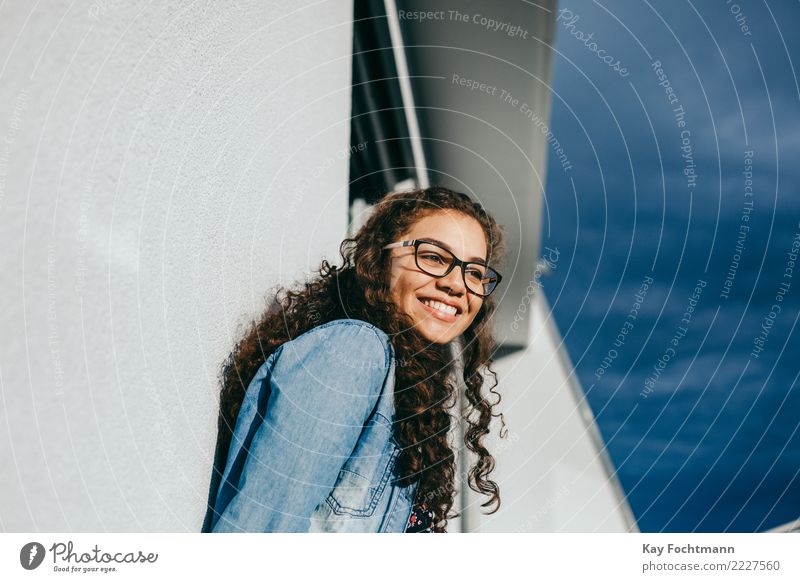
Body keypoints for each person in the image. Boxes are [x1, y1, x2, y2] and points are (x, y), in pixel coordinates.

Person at [201, 186, 507, 533]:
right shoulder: (355, 351)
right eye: (434, 257)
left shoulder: (410, 397)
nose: (457, 284)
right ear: (381, 259)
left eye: (474, 273)